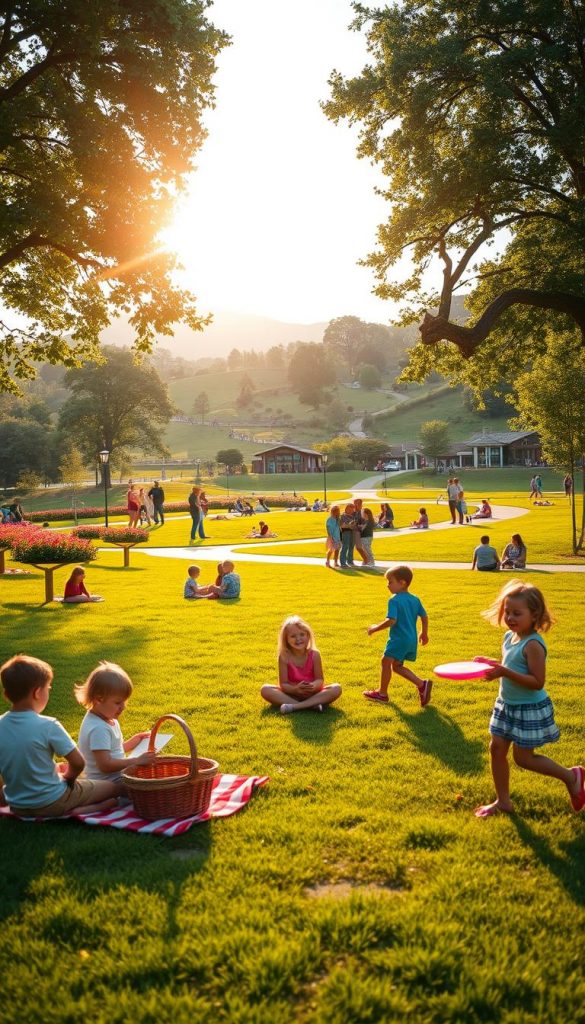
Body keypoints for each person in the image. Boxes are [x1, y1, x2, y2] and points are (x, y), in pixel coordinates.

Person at [474, 580, 585, 818]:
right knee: (496, 750)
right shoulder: (509, 637)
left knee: (524, 759)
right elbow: (511, 664)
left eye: (517, 613)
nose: (510, 618)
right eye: (507, 612)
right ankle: (503, 802)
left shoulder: (533, 644)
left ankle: (571, 776)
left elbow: (537, 681)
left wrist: (503, 672)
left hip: (528, 708)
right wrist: (494, 664)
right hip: (506, 705)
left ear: (534, 615)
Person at [0, 655, 119, 817]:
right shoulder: (48, 725)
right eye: (48, 688)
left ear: (6, 695)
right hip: (53, 801)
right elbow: (78, 762)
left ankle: (70, 808)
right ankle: (79, 811)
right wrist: (68, 778)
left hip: (18, 806)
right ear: (37, 693)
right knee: (112, 788)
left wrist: (5, 799)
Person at [76, 662, 157, 784]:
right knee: (150, 786)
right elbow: (105, 765)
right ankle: (107, 802)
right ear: (98, 699)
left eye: (125, 701)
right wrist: (136, 761)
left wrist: (134, 741)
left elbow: (113, 752)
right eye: (118, 703)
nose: (123, 707)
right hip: (104, 783)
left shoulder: (108, 718)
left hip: (115, 778)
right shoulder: (98, 728)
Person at [363, 565, 432, 706]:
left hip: (398, 639)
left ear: (402, 583)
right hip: (410, 639)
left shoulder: (394, 600)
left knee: (385, 661)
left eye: (390, 582)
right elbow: (424, 616)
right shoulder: (415, 599)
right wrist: (424, 632)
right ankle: (422, 684)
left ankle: (382, 694)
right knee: (397, 666)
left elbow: (392, 620)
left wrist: (375, 628)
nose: (388, 585)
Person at [260, 615, 342, 713]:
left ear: (308, 636)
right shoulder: (283, 657)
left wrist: (312, 686)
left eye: (302, 634)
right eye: (293, 636)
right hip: (291, 694)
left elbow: (319, 680)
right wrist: (295, 689)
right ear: (286, 639)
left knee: (336, 688)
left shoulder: (315, 654)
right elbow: (283, 684)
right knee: (265, 689)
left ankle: (295, 707)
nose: (298, 639)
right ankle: (311, 705)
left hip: (313, 693)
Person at [339, 503, 356, 568]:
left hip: (352, 532)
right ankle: (343, 563)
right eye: (350, 509)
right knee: (345, 546)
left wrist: (352, 525)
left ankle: (350, 561)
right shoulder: (342, 516)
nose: (351, 511)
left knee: (351, 546)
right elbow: (342, 525)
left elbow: (354, 525)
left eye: (352, 509)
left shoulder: (353, 516)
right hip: (345, 532)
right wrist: (349, 525)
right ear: (346, 508)